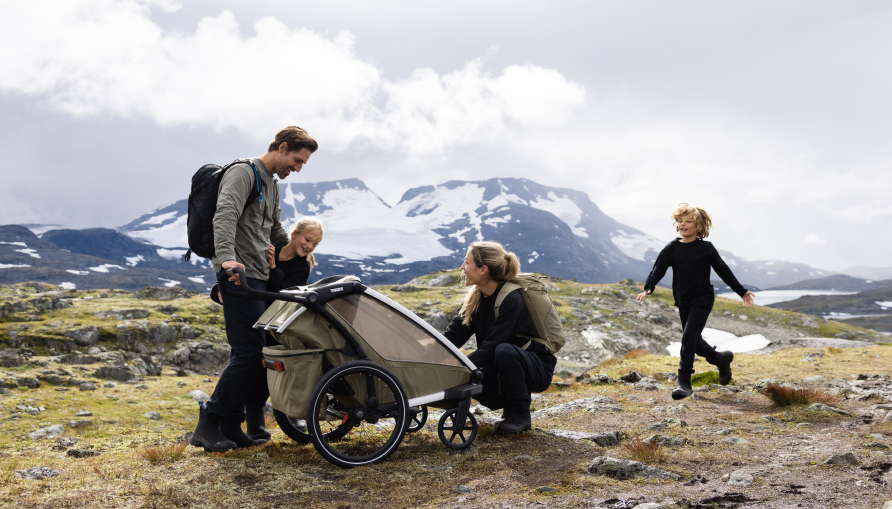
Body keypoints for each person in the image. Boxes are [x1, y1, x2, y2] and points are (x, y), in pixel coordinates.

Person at [191, 126, 318, 452]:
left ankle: (231, 423)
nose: (298, 168)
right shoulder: (243, 173)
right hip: (239, 277)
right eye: (297, 160)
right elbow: (225, 216)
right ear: (283, 147)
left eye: (303, 164)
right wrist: (227, 261)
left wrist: (298, 251)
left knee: (255, 353)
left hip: (259, 278)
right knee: (250, 352)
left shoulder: (271, 185)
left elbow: (274, 229)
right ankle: (209, 421)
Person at [637, 203, 755, 400]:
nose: (682, 224)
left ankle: (684, 381)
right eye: (679, 221)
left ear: (698, 226)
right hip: (683, 301)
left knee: (688, 337)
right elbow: (658, 269)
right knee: (695, 342)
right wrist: (649, 287)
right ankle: (721, 359)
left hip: (703, 299)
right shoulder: (672, 248)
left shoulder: (706, 248)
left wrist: (741, 292)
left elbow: (723, 270)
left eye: (688, 221)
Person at [443, 241, 556, 433]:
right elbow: (453, 335)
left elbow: (492, 346)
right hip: (502, 366)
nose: (462, 267)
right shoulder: (475, 299)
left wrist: (459, 369)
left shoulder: (512, 299)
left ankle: (520, 414)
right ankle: (508, 405)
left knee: (503, 351)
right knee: (486, 361)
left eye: (466, 262)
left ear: (483, 269)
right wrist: (427, 355)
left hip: (536, 368)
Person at [266, 217, 324, 293]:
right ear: (294, 234)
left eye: (314, 245)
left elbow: (284, 292)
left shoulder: (302, 267)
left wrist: (273, 267)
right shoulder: (272, 251)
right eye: (307, 239)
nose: (310, 246)